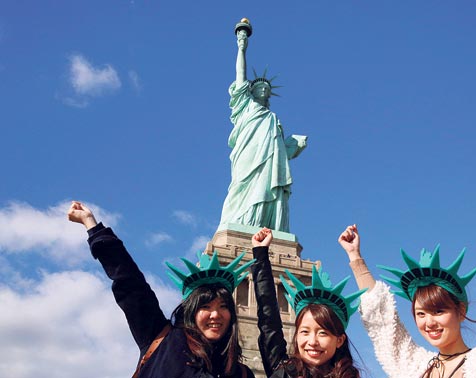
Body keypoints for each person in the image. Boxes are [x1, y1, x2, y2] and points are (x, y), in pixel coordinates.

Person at [68, 201, 255, 378]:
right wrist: (93, 226)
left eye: (223, 306)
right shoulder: (163, 339)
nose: (215, 314)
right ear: (191, 311)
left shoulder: (241, 374)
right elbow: (130, 283)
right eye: (205, 307)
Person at [338, 225, 476, 378]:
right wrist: (355, 258)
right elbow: (382, 323)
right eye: (421, 313)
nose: (429, 322)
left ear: (460, 311)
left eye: (438, 311)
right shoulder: (417, 366)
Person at [218, 19, 307, 233]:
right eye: (259, 86)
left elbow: (279, 150)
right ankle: (240, 223)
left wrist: (292, 145)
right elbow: (241, 75)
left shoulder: (272, 118)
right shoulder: (244, 106)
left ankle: (266, 227)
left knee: (268, 186)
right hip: (247, 154)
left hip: (271, 161)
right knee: (241, 185)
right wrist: (242, 48)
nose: (264, 89)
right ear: (250, 90)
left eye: (267, 88)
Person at [250, 227, 364, 378]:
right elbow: (268, 320)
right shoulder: (286, 372)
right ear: (296, 336)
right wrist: (260, 254)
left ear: (340, 340)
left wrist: (356, 258)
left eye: (322, 333)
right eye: (304, 331)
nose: (312, 342)